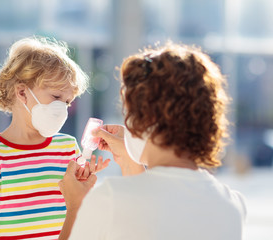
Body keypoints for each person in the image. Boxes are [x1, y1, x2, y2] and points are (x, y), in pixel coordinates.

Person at [58, 42, 247, 240]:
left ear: (146, 118)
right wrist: (129, 159)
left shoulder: (110, 199)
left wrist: (75, 206)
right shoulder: (232, 206)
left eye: (128, 112)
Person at [0, 36, 109, 240]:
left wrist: (83, 180)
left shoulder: (67, 147)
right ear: (22, 92)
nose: (63, 109)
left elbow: (76, 207)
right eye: (56, 97)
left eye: (67, 102)